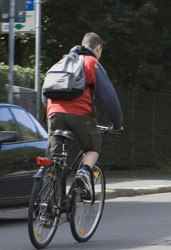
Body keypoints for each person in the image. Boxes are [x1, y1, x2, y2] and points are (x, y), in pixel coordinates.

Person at [45, 32, 123, 197]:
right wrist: (117, 124)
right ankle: (84, 174)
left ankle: (46, 206)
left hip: (54, 113)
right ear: (98, 48)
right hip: (80, 114)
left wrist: (54, 111)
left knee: (53, 160)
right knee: (93, 147)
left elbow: (45, 92)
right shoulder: (91, 62)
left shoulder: (61, 62)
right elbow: (109, 97)